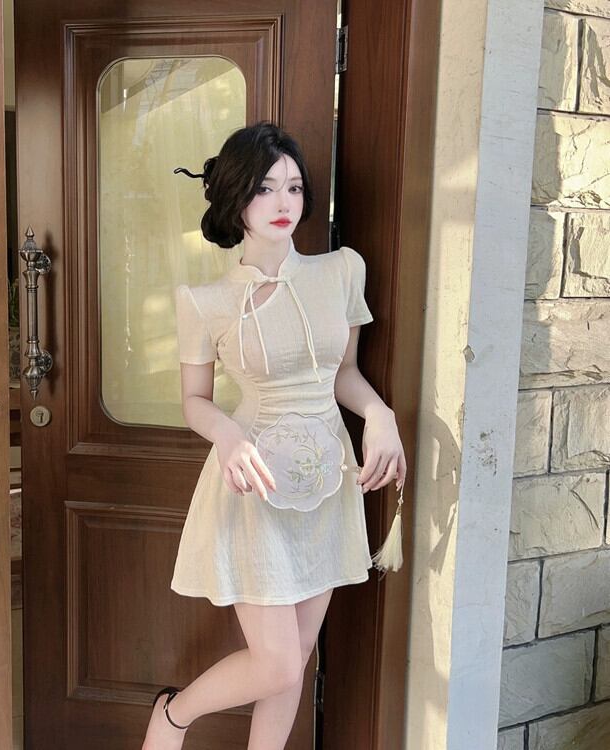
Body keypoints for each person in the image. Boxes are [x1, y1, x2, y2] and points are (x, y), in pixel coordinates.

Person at [142, 122, 406, 750]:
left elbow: (343, 374)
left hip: (327, 482)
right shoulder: (204, 301)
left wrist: (381, 415)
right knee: (279, 663)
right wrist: (228, 437)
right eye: (264, 188)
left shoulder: (342, 271)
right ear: (236, 198)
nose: (283, 202)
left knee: (300, 651)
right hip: (254, 484)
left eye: (293, 187)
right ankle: (173, 715)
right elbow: (195, 400)